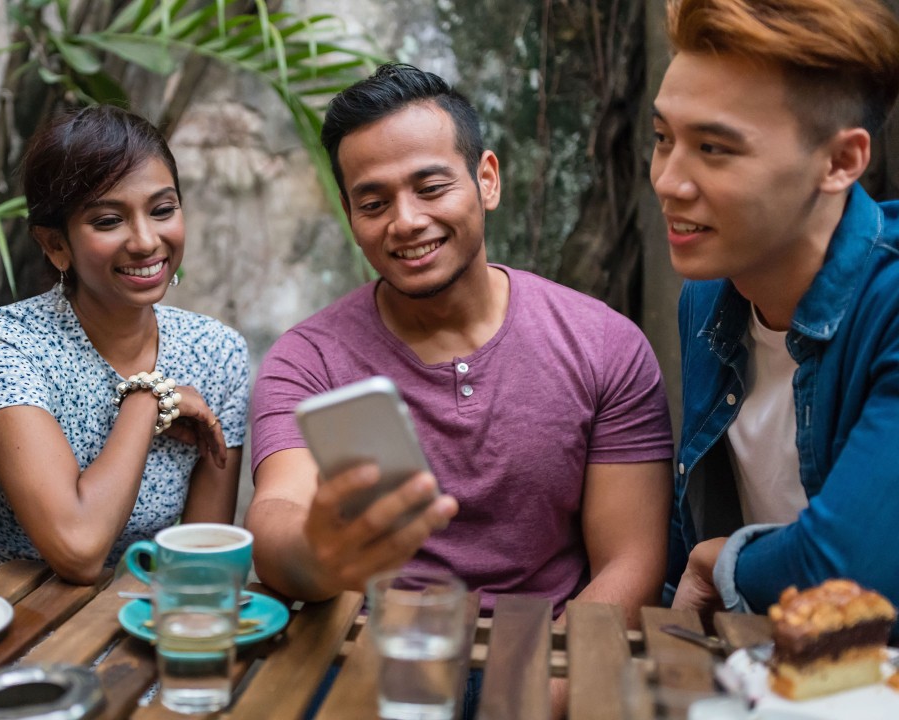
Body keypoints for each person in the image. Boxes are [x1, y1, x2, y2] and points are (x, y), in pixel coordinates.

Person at [246, 63, 674, 715]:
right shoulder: (310, 360)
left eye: (430, 186)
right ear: (350, 214)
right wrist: (317, 552)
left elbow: (631, 563)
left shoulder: (603, 345)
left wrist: (529, 696)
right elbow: (277, 517)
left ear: (487, 179)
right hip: (374, 654)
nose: (406, 221)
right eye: (374, 202)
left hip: (551, 652)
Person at [655, 0, 899, 625]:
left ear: (841, 161)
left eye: (714, 148)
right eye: (663, 139)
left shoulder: (889, 302)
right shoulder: (710, 293)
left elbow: (848, 573)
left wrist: (724, 562)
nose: (669, 181)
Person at [0, 105, 249, 584]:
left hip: (134, 620)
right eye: (109, 220)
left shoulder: (217, 352)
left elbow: (201, 563)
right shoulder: (6, 342)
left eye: (163, 210)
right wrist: (150, 400)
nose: (147, 240)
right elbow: (78, 548)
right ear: (55, 245)